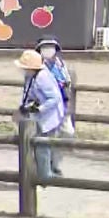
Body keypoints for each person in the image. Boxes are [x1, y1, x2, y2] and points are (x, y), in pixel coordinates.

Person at [15, 49, 66, 183]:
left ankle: (45, 175)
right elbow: (30, 94)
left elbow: (54, 98)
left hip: (49, 115)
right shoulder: (33, 77)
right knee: (42, 145)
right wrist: (26, 106)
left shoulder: (42, 78)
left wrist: (39, 108)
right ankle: (45, 172)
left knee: (42, 145)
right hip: (43, 115)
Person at [34, 36, 74, 175]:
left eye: (51, 47)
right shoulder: (36, 66)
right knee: (44, 138)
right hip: (45, 107)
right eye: (45, 47)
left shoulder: (60, 64)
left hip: (62, 106)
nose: (48, 50)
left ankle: (54, 163)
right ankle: (45, 170)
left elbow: (68, 84)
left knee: (67, 133)